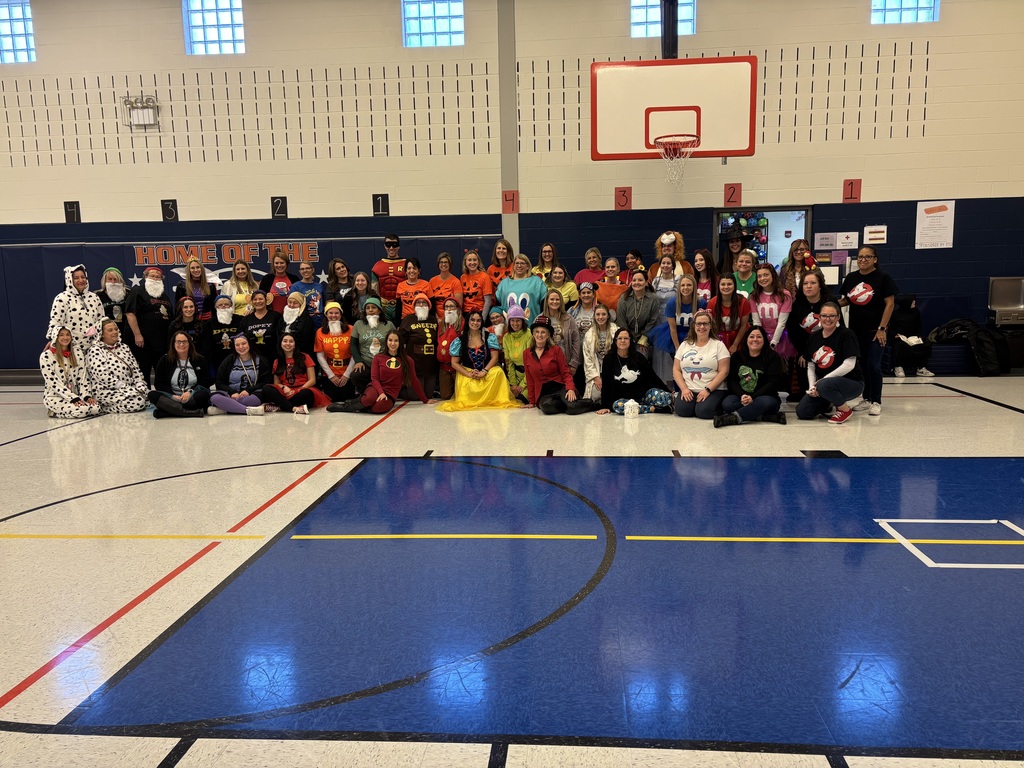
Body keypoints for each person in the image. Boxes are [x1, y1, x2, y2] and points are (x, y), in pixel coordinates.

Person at [839, 245, 896, 416]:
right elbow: (846, 301)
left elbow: (890, 304)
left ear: (875, 259)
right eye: (861, 257)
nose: (863, 260)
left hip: (875, 330)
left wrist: (882, 328)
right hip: (856, 330)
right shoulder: (851, 278)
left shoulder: (883, 277)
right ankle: (867, 398)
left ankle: (876, 401)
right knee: (862, 366)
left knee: (874, 365)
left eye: (868, 257)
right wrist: (828, 304)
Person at [796, 301, 864, 425]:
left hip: (851, 382)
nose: (828, 319)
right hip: (825, 386)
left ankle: (844, 410)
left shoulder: (846, 334)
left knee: (824, 385)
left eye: (832, 315)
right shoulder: (813, 337)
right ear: (819, 317)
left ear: (838, 317)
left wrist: (821, 382)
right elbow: (811, 365)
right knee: (803, 412)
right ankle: (829, 402)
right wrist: (812, 387)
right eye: (824, 316)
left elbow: (850, 364)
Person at [436, 310, 519, 412]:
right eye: (473, 320)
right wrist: (469, 373)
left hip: (486, 370)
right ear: (467, 321)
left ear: (481, 322)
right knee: (464, 379)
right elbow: (454, 363)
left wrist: (484, 371)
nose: (475, 323)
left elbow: (495, 358)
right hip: (469, 371)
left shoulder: (489, 337)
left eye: (478, 320)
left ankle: (495, 398)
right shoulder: (460, 341)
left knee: (498, 372)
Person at [329, 330, 429, 413]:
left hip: (391, 393)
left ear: (400, 343)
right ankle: (345, 407)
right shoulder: (378, 357)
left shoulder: (408, 360)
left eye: (396, 341)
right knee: (369, 398)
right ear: (386, 342)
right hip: (376, 387)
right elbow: (374, 378)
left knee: (379, 408)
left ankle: (362, 407)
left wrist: (425, 400)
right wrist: (381, 393)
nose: (393, 343)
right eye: (390, 340)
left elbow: (414, 380)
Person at [715, 326, 787, 427]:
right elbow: (732, 381)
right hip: (741, 397)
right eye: (751, 336)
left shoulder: (773, 357)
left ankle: (734, 418)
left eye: (759, 337)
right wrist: (742, 395)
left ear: (764, 340)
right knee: (728, 404)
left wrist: (753, 397)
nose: (755, 340)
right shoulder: (736, 356)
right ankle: (763, 417)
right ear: (747, 339)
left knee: (765, 403)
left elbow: (773, 383)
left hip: (765, 397)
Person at [522, 315, 592, 415]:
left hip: (560, 387)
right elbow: (530, 379)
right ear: (533, 334)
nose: (540, 335)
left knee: (572, 407)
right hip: (544, 392)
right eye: (537, 332)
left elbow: (565, 372)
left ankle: (591, 404)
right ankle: (566, 405)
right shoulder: (526, 354)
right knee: (546, 408)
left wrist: (570, 388)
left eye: (543, 332)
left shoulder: (556, 350)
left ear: (548, 335)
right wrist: (532, 401)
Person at [594, 328, 672, 415]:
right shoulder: (609, 359)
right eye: (620, 338)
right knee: (617, 406)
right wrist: (605, 406)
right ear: (615, 341)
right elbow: (606, 384)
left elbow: (653, 377)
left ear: (630, 341)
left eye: (626, 338)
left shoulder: (639, 357)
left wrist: (668, 391)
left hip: (643, 396)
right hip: (624, 400)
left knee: (666, 397)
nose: (623, 341)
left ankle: (639, 407)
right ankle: (652, 409)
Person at [673, 309, 730, 420]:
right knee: (683, 410)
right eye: (699, 323)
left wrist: (707, 390)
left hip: (713, 389)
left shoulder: (718, 345)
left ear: (710, 326)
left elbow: (724, 371)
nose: (702, 327)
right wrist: (684, 389)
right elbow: (676, 369)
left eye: (705, 324)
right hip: (689, 389)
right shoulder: (685, 345)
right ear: (694, 326)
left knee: (704, 412)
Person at [786, 268, 833, 401]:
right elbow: (794, 332)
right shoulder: (797, 305)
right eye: (805, 283)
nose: (809, 286)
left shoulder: (829, 302)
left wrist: (818, 351)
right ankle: (805, 393)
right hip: (805, 347)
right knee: (802, 362)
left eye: (813, 283)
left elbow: (836, 331)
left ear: (820, 286)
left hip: (827, 346)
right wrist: (804, 353)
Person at [86, 318, 149, 413]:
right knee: (138, 402)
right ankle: (103, 408)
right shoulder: (95, 350)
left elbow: (135, 368)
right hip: (106, 390)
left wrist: (139, 383)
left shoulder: (124, 347)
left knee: (151, 395)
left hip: (129, 388)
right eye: (110, 330)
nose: (115, 332)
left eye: (115, 329)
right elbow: (102, 375)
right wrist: (122, 386)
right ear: (102, 334)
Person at [260, 332, 331, 414]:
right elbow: (276, 383)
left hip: (302, 389)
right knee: (266, 388)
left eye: (291, 341)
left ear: (295, 345)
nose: (288, 344)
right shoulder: (277, 361)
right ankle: (293, 408)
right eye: (285, 341)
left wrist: (298, 390)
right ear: (280, 344)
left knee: (307, 394)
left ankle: (281, 406)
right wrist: (284, 388)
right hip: (286, 391)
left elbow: (312, 380)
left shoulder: (305, 357)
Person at [148, 331, 213, 418]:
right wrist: (173, 396)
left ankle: (169, 411)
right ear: (173, 344)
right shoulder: (164, 360)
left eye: (184, 341)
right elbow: (159, 383)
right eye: (178, 342)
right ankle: (190, 412)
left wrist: (190, 392)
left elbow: (205, 381)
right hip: (171, 397)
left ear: (189, 343)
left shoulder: (199, 360)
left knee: (203, 395)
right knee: (152, 395)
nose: (182, 344)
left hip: (191, 396)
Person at [125, 265, 173, 383]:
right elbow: (130, 313)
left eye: (158, 277)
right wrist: (137, 335)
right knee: (144, 372)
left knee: (161, 373)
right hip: (143, 342)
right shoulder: (137, 291)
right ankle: (145, 397)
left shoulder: (165, 296)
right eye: (152, 276)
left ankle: (161, 397)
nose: (155, 279)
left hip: (160, 343)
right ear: (145, 277)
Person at [40, 327, 101, 419]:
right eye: (61, 335)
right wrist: (72, 398)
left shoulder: (77, 353)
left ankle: (68, 409)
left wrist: (86, 396)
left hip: (76, 395)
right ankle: (54, 412)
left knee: (95, 408)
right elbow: (53, 382)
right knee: (82, 410)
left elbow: (83, 377)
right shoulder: (46, 356)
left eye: (68, 335)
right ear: (55, 337)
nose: (65, 337)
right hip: (55, 396)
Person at [209, 333, 272, 415]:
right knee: (214, 397)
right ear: (234, 347)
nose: (241, 347)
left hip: (251, 393)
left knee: (252, 400)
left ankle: (226, 407)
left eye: (244, 343)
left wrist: (249, 391)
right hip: (231, 394)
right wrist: (232, 392)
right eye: (237, 345)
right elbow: (219, 382)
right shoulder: (229, 360)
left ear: (249, 343)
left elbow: (266, 381)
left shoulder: (261, 360)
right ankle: (248, 410)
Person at [47, 264, 106, 349]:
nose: (81, 280)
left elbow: (101, 322)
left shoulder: (94, 297)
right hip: (72, 349)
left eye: (83, 277)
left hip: (94, 349)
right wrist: (53, 341)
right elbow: (55, 323)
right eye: (76, 278)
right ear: (70, 280)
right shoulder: (62, 298)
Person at [750, 263, 796, 359]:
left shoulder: (784, 295)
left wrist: (773, 343)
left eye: (766, 275)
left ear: (773, 276)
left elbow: (781, 323)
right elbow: (756, 322)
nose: (762, 278)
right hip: (763, 337)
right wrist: (761, 341)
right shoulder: (754, 296)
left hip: (780, 338)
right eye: (759, 276)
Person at [399, 293, 440, 398]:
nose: (421, 305)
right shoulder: (408, 320)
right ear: (414, 306)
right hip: (415, 365)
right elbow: (401, 342)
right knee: (415, 397)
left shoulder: (433, 320)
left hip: (431, 365)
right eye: (418, 302)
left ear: (429, 306)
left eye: (424, 302)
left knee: (428, 395)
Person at [314, 301, 356, 401]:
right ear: (326, 315)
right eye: (330, 313)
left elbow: (355, 353)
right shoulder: (320, 332)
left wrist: (347, 375)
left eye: (336, 313)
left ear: (341, 314)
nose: (334, 316)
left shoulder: (351, 329)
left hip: (348, 372)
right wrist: (331, 376)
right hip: (330, 374)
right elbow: (320, 355)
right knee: (332, 400)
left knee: (347, 399)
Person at [616, 271, 661, 359]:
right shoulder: (624, 298)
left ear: (646, 282)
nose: (636, 283)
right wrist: (628, 338)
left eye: (640, 280)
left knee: (641, 357)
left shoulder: (653, 298)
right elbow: (621, 320)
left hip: (645, 336)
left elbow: (653, 320)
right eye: (634, 280)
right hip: (626, 335)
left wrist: (644, 338)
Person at [889, 294, 935, 378]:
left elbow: (919, 326)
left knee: (926, 344)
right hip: (900, 337)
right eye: (912, 301)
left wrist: (919, 336)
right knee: (899, 345)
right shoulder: (895, 314)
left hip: (913, 337)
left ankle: (921, 368)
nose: (914, 302)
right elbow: (890, 328)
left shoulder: (916, 312)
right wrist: (895, 335)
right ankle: (898, 367)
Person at [581, 304, 619, 401]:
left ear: (608, 316)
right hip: (597, 373)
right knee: (595, 396)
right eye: (598, 314)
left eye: (603, 314)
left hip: (614, 371)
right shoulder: (589, 335)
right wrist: (596, 377)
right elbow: (587, 359)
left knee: (614, 394)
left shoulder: (616, 331)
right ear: (594, 316)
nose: (600, 317)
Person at [495, 253, 548, 320]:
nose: (519, 266)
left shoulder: (536, 281)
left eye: (522, 263)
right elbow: (498, 306)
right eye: (517, 263)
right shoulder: (504, 283)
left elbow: (544, 304)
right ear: (513, 266)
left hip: (531, 324)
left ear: (528, 266)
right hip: (509, 326)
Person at [706, 273, 750, 353]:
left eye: (729, 284)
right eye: (723, 284)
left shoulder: (743, 302)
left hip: (739, 340)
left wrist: (735, 345)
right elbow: (711, 327)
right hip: (719, 340)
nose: (726, 287)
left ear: (734, 286)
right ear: (718, 286)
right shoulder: (712, 303)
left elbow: (744, 326)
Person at [542, 289, 581, 378]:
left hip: (566, 365)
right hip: (545, 365)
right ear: (547, 301)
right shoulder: (540, 319)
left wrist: (573, 364)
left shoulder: (569, 319)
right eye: (552, 299)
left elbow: (576, 341)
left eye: (557, 299)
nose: (554, 302)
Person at [372, 233, 406, 322]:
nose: (391, 248)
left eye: (394, 245)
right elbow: (374, 289)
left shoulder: (407, 265)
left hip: (402, 306)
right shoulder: (377, 266)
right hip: (384, 306)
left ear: (398, 246)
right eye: (388, 245)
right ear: (385, 246)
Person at [502, 304, 531, 404]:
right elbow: (509, 363)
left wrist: (522, 385)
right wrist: (513, 384)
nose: (515, 323)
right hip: (515, 376)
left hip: (529, 377)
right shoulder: (506, 337)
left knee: (521, 401)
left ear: (523, 321)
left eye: (518, 320)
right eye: (512, 320)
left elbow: (531, 364)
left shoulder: (529, 334)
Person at [436, 297, 464, 400]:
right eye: (446, 307)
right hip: (444, 367)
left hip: (457, 367)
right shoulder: (441, 324)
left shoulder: (463, 324)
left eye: (451, 306)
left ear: (457, 309)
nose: (449, 309)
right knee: (445, 396)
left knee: (460, 396)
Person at [208, 294, 244, 373]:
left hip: (238, 358)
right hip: (217, 360)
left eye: (226, 304)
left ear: (231, 306)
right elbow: (208, 344)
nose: (223, 306)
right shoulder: (210, 323)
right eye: (220, 305)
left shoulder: (240, 320)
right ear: (215, 307)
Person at [168, 296, 211, 360]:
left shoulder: (202, 325)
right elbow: (170, 346)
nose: (189, 309)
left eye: (191, 306)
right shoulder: (174, 325)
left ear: (195, 308)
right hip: (178, 360)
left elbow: (206, 348)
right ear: (180, 309)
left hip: (198, 360)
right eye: (185, 307)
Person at [259, 249, 302, 314]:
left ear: (286, 264)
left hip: (292, 315)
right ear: (273, 264)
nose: (279, 265)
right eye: (276, 263)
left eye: (282, 263)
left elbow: (300, 299)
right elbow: (260, 297)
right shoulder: (266, 279)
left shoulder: (294, 279)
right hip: (271, 316)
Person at [174, 257, 216, 321]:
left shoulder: (210, 286)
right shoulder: (182, 285)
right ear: (189, 270)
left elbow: (214, 307)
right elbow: (177, 306)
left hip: (207, 321)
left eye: (198, 267)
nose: (196, 270)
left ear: (201, 269)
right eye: (192, 268)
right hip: (189, 320)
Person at [241, 289, 281, 355]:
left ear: (266, 300)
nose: (258, 301)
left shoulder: (276, 316)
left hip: (273, 354)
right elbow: (242, 338)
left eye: (260, 299)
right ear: (252, 302)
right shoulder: (246, 319)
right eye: (255, 299)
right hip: (253, 356)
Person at [95, 267, 129, 339]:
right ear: (105, 281)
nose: (113, 282)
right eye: (110, 279)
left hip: (128, 332)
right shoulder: (97, 296)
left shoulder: (129, 294)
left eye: (115, 279)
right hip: (107, 335)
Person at [459, 249, 494, 318]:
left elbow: (488, 301)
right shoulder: (463, 277)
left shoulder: (484, 277)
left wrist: (482, 319)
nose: (472, 262)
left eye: (474, 260)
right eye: (469, 260)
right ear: (465, 262)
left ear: (478, 262)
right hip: (466, 313)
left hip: (480, 312)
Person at [429, 252, 463, 318]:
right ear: (438, 264)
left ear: (450, 264)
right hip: (436, 318)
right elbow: (430, 304)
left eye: (446, 262)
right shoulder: (432, 281)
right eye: (441, 262)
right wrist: (437, 318)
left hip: (452, 317)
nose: (443, 264)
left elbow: (459, 305)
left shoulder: (456, 282)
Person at [280, 290, 315, 355]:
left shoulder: (305, 316)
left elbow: (304, 336)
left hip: (300, 352)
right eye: (290, 302)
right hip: (284, 351)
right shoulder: (283, 316)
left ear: (301, 304)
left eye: (295, 303)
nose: (292, 305)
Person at [295, 260, 326, 330]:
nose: (305, 270)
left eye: (307, 268)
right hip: (304, 323)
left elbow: (324, 303)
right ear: (300, 272)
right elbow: (293, 306)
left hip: (320, 322)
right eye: (302, 269)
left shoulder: (319, 286)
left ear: (313, 270)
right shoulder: (296, 287)